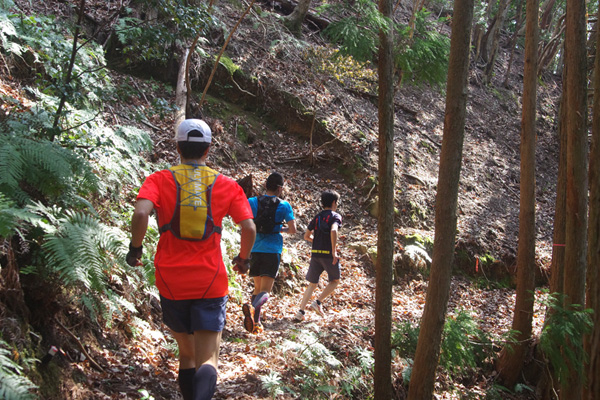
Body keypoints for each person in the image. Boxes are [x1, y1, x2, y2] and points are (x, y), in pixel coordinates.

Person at [126, 119, 256, 400]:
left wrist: (135, 249)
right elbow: (249, 228)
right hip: (210, 280)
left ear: (177, 147)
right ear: (208, 150)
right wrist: (243, 259)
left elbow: (140, 214)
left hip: (171, 280)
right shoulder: (226, 184)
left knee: (187, 355)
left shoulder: (158, 179)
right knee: (207, 358)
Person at [243, 172, 296, 334]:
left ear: (265, 185)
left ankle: (256, 324)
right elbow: (293, 230)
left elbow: (244, 222)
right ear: (280, 189)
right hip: (272, 250)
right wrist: (279, 228)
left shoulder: (252, 201)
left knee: (257, 288)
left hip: (254, 248)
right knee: (265, 291)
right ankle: (252, 309)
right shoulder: (284, 205)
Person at [295, 190, 342, 321]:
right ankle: (318, 302)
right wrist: (334, 251)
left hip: (315, 254)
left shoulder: (317, 217)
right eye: (337, 202)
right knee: (335, 280)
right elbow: (334, 230)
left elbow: (306, 236)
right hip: (328, 255)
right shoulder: (335, 216)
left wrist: (315, 241)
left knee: (312, 283)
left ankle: (300, 312)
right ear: (333, 202)